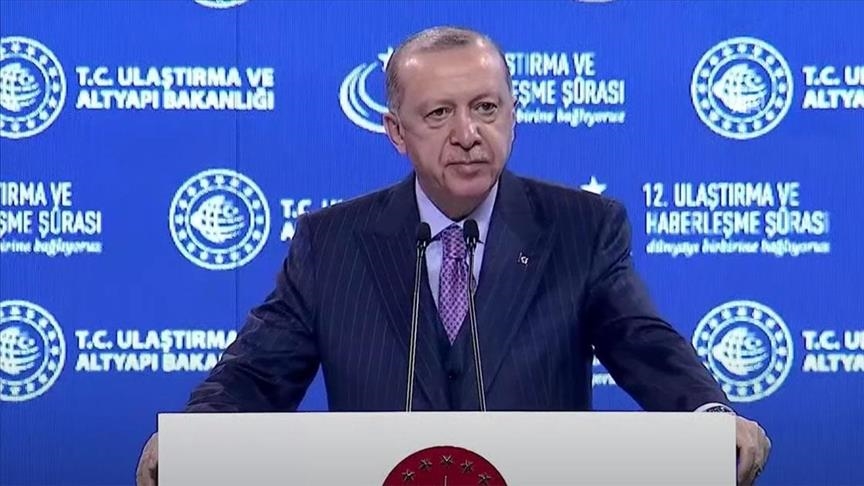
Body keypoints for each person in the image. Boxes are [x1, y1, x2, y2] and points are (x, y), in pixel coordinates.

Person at [137, 26, 771, 485]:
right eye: (439, 113)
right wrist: (195, 436)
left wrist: (710, 415)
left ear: (513, 116)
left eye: (486, 108)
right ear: (396, 132)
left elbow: (643, 342)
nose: (468, 134)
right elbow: (257, 373)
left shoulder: (582, 229)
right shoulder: (331, 244)